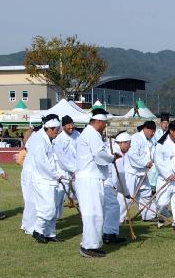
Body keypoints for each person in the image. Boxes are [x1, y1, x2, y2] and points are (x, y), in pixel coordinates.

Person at [74, 108, 120, 257]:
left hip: (92, 178)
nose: (105, 126)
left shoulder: (89, 134)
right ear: (99, 122)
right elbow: (99, 155)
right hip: (89, 179)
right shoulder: (92, 134)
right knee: (91, 213)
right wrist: (112, 158)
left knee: (95, 213)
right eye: (105, 123)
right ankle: (88, 246)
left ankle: (92, 244)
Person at [29, 115, 65, 244]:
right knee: (48, 208)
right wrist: (56, 175)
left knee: (53, 209)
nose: (58, 133)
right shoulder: (40, 141)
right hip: (43, 180)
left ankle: (50, 233)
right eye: (56, 130)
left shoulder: (49, 140)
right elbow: (42, 163)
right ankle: (38, 230)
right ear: (49, 129)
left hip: (51, 180)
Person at [154, 120, 175, 232]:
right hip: (165, 179)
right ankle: (161, 217)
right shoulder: (161, 144)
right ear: (171, 131)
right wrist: (168, 175)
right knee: (162, 203)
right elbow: (158, 162)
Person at [105, 132, 132, 243]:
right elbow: (119, 176)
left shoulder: (113, 149)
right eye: (128, 144)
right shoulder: (117, 154)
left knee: (108, 209)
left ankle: (108, 233)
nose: (129, 146)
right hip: (107, 184)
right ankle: (109, 235)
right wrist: (126, 192)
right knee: (113, 208)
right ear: (122, 143)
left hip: (104, 183)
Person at [126, 120, 157, 221]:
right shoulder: (135, 138)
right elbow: (132, 155)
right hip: (132, 172)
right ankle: (120, 217)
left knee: (146, 193)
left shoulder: (151, 140)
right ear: (146, 129)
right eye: (152, 131)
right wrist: (145, 162)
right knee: (128, 197)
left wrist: (152, 160)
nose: (153, 134)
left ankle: (148, 216)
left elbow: (153, 154)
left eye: (154, 132)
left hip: (143, 173)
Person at [52, 115, 79, 220]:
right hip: (63, 173)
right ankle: (53, 219)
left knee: (82, 194)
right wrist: (74, 170)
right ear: (63, 126)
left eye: (72, 124)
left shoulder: (77, 135)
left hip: (78, 172)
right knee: (59, 198)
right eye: (68, 125)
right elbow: (62, 160)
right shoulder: (59, 139)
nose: (71, 127)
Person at [20, 122, 44, 234]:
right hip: (32, 172)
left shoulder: (34, 136)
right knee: (32, 200)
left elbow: (25, 142)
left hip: (28, 170)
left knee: (29, 200)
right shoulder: (39, 137)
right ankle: (30, 227)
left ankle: (26, 224)